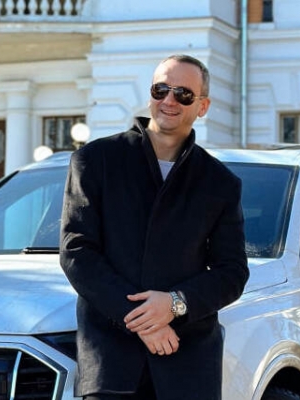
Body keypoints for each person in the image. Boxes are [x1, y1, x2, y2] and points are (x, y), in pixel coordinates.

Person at [60, 54, 249, 400]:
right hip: (111, 364)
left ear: (203, 106)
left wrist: (175, 304)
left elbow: (232, 272)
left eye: (183, 94)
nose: (169, 100)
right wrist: (141, 318)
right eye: (160, 89)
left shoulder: (220, 183)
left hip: (187, 363)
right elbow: (77, 252)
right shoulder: (95, 161)